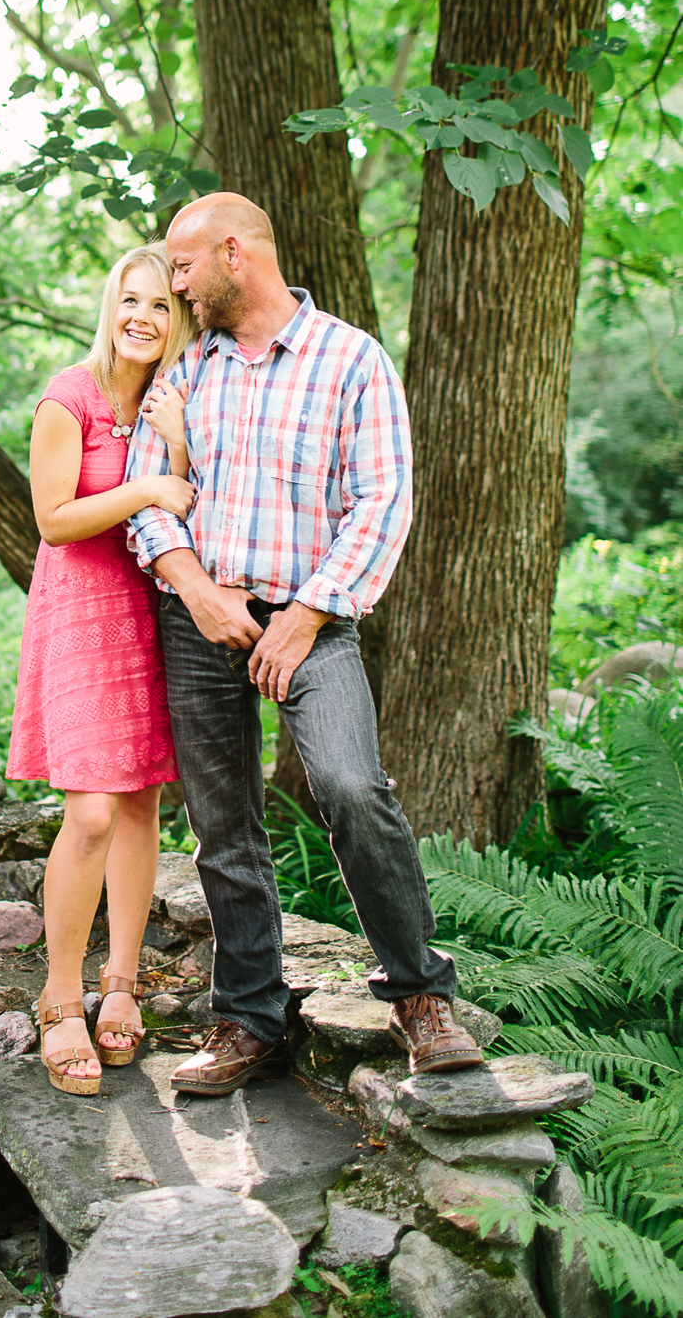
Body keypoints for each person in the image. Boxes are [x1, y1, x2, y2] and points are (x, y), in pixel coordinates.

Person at [122, 192, 481, 1096]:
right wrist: (197, 591)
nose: (176, 283)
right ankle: (249, 1017)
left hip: (312, 620)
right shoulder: (187, 369)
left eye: (184, 264)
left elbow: (383, 501)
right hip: (200, 615)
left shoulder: (351, 359)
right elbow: (145, 499)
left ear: (234, 252)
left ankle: (420, 997)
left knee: (352, 785)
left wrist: (308, 612)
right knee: (222, 823)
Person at [10, 244, 196, 1093]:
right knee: (87, 811)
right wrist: (146, 489)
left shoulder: (173, 396)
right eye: (131, 299)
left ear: (178, 318)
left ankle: (121, 980)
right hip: (82, 613)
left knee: (138, 800)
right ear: (109, 304)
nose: (143, 318)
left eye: (160, 305)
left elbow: (194, 496)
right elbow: (54, 519)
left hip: (151, 610)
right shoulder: (70, 394)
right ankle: (60, 994)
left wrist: (177, 450)